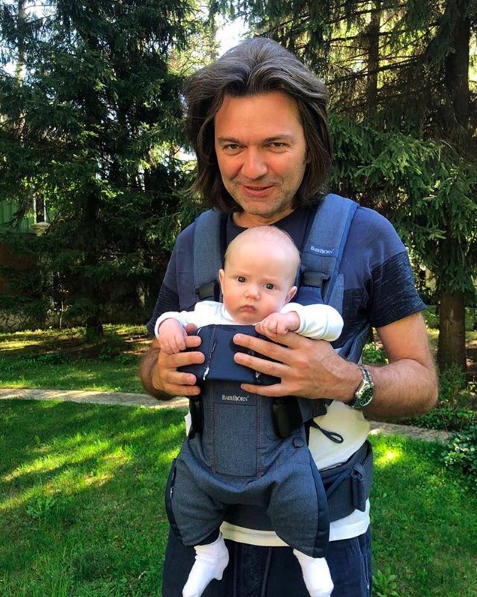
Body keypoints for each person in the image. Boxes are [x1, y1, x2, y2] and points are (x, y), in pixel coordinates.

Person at [140, 37, 438, 597]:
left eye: (275, 144)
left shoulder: (367, 236)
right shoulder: (196, 243)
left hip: (326, 541)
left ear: (310, 144)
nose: (252, 168)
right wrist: (160, 373)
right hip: (205, 538)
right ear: (211, 148)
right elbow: (150, 367)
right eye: (232, 146)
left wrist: (344, 379)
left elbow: (423, 384)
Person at [156, 226, 343, 597]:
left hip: (277, 451)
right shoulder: (206, 314)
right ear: (222, 280)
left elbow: (332, 323)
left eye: (269, 286)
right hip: (207, 450)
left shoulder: (289, 317)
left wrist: (295, 321)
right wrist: (170, 328)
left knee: (300, 498)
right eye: (241, 280)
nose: (253, 293)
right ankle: (209, 553)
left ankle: (309, 557)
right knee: (186, 497)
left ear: (289, 294)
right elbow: (169, 317)